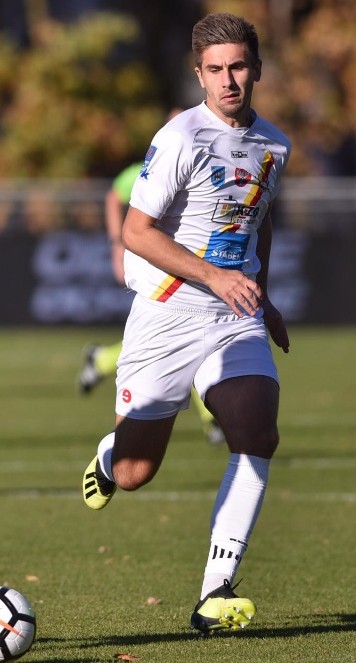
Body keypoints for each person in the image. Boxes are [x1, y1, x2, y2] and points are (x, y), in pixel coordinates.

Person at [80, 13, 291, 634]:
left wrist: (264, 295)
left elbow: (261, 220)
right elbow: (136, 231)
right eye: (217, 69)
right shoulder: (181, 137)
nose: (230, 80)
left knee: (256, 431)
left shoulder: (274, 144)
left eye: (240, 66)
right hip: (169, 313)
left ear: (257, 67)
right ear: (199, 73)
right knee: (135, 474)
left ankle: (215, 590)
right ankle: (110, 450)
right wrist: (213, 275)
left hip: (235, 315)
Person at [78, 133, 226, 446]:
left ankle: (101, 360)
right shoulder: (158, 162)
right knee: (172, 338)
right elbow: (115, 197)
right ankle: (210, 418)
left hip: (192, 266)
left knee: (198, 337)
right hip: (162, 269)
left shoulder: (208, 162)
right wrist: (117, 244)